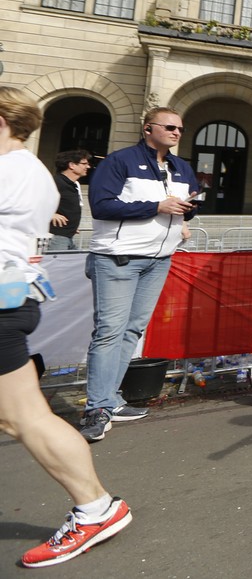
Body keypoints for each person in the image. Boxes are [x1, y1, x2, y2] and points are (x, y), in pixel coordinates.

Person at [0, 87, 133, 567]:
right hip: (12, 296)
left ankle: (96, 507)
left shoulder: (14, 170)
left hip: (3, 302)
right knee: (18, 416)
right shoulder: (24, 169)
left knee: (24, 418)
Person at [81, 107, 199, 442]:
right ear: (148, 128)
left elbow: (189, 203)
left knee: (132, 330)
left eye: (180, 128)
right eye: (170, 127)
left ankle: (110, 399)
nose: (177, 132)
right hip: (119, 256)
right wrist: (157, 207)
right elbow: (101, 205)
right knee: (109, 331)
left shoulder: (181, 166)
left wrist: (187, 212)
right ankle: (96, 407)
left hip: (159, 258)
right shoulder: (119, 161)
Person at [49, 150, 92, 251]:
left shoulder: (74, 184)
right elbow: (31, 201)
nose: (88, 167)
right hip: (58, 236)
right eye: (84, 164)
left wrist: (73, 226)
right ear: (72, 165)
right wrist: (50, 214)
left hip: (68, 236)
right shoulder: (56, 182)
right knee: (58, 262)